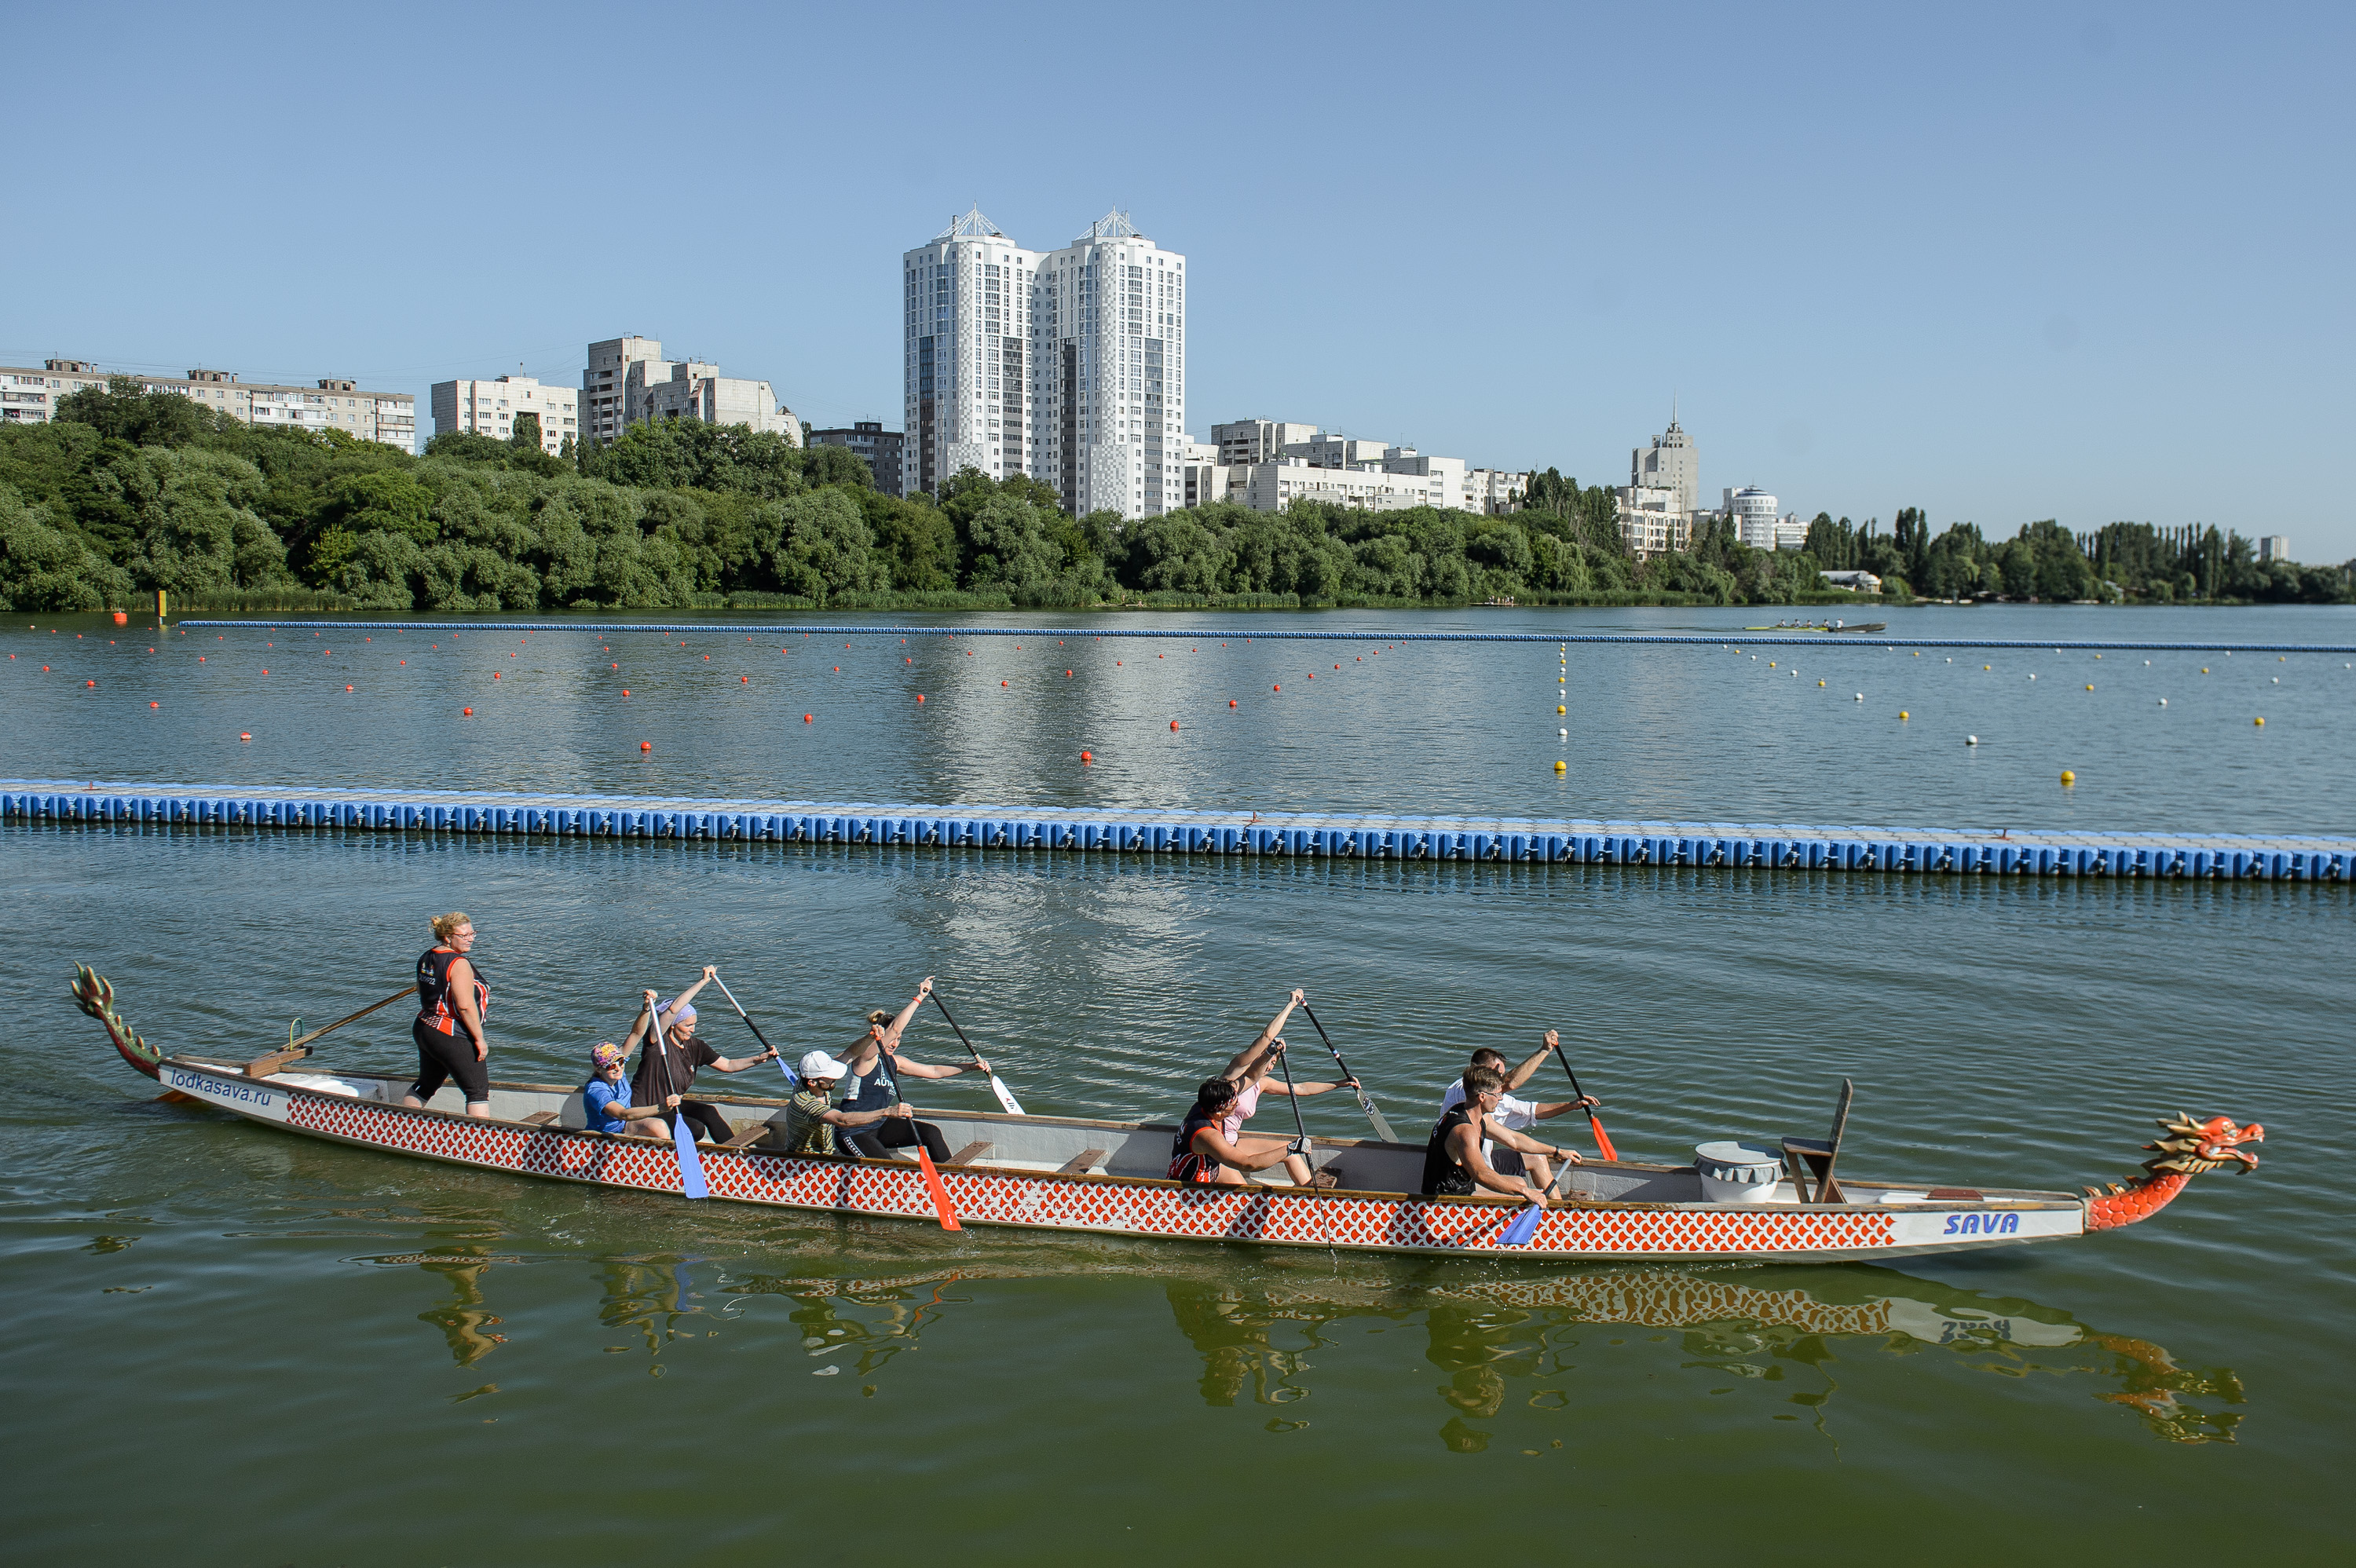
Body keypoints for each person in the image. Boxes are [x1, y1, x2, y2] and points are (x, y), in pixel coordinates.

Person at [831, 978, 990, 1164]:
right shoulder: (865, 1058)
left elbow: (934, 1071)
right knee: (888, 1168)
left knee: (931, 1133)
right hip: (853, 1131)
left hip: (880, 1125)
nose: (895, 1043)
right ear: (880, 1036)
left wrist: (970, 1067)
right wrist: (919, 998)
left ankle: (950, 1180)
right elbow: (896, 1028)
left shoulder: (895, 1062)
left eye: (899, 1039)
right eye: (893, 1038)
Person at [1434, 1030, 1598, 1194]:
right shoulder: (1462, 1095)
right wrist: (1544, 1050)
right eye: (1497, 1077)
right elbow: (1479, 1174)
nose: (1500, 1095)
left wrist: (1570, 1109)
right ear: (1482, 1092)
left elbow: (1516, 1135)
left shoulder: (1484, 1112)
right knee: (1520, 1189)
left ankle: (1556, 1214)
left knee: (1538, 1159)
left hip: (1483, 1163)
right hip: (1456, 1187)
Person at [625, 967, 777, 1143]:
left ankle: (735, 1154)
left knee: (708, 1112)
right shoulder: (657, 1042)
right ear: (673, 1025)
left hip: (670, 1106)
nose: (693, 1029)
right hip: (647, 1111)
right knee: (696, 1129)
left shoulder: (696, 1046)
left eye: (694, 1024)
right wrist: (703, 982)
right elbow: (674, 1010)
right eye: (688, 1025)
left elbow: (728, 1065)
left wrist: (759, 1059)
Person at [1211, 989, 1359, 1149]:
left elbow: (1302, 1089)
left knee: (1290, 1150)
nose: (1268, 1066)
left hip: (1232, 1143)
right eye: (1267, 1058)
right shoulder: (1236, 1070)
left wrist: (1339, 1084)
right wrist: (1291, 1005)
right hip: (1213, 1142)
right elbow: (1266, 1036)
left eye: (1273, 1063)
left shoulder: (1262, 1084)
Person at [1423, 1065, 1576, 1203]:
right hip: (1446, 1202)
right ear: (1482, 1097)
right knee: (1522, 1196)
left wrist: (1557, 1151)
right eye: (1497, 1094)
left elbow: (1514, 1140)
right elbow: (1480, 1174)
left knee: (1520, 1184)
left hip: (1462, 1188)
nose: (1500, 1098)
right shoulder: (1464, 1131)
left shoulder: (1473, 1114)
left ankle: (1555, 1210)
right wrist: (1525, 1192)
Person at [407, 911, 492, 1117]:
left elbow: (421, 989)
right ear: (448, 937)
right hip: (448, 1032)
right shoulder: (459, 963)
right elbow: (465, 1006)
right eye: (464, 935)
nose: (470, 939)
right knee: (477, 1091)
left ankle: (402, 1128)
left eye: (473, 933)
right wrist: (480, 1039)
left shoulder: (427, 956)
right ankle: (481, 1145)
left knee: (426, 1085)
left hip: (424, 1028)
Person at [1168, 1077, 1320, 1186]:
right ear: (1219, 1112)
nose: (1238, 1104)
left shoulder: (1203, 1105)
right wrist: (1290, 1149)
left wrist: (1269, 1047)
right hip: (1191, 1188)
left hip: (1211, 1168)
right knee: (1246, 1198)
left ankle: (1309, 1199)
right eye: (1233, 1105)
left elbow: (1248, 1072)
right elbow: (1247, 1164)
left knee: (1246, 1193)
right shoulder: (1207, 1135)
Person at [581, 1041, 679, 1136]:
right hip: (603, 1137)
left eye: (621, 1062)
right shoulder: (596, 1090)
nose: (618, 1068)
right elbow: (623, 1114)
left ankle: (664, 1152)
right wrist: (661, 1108)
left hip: (624, 1125)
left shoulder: (617, 1075)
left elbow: (636, 1034)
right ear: (598, 1069)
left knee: (659, 1126)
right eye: (611, 1066)